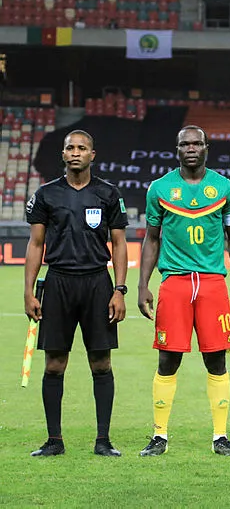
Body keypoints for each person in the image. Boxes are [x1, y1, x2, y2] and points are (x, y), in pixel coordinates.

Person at [137, 125, 230, 457]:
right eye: (185, 143)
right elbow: (151, 239)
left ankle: (220, 436)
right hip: (175, 283)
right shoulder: (159, 189)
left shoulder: (225, 188)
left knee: (216, 359)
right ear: (177, 149)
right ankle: (159, 436)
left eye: (197, 143)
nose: (191, 148)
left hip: (213, 283)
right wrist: (143, 285)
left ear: (206, 148)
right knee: (168, 359)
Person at [24, 130, 128, 457]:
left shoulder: (108, 193)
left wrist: (119, 290)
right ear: (63, 154)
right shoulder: (46, 194)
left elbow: (119, 244)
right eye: (70, 147)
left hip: (97, 283)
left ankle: (103, 440)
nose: (75, 152)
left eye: (82, 148)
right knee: (54, 364)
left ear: (92, 155)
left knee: (101, 363)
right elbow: (36, 244)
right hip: (58, 283)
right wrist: (28, 291)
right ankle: (54, 440)